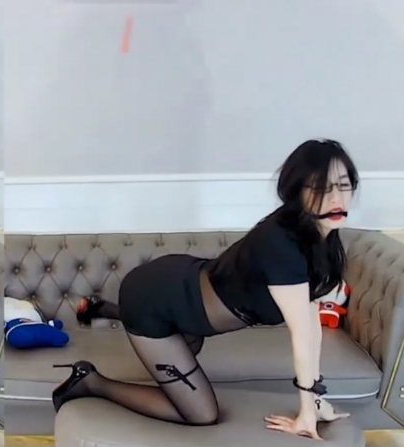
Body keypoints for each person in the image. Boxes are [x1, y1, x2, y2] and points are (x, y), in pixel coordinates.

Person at [53, 139, 357, 440]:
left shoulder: (319, 235)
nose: (336, 199)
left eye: (344, 186)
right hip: (154, 295)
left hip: (182, 292)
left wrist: (315, 401)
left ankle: (102, 309)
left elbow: (311, 321)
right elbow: (302, 335)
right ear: (297, 191)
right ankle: (90, 381)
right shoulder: (282, 244)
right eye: (321, 189)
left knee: (188, 345)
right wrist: (306, 412)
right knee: (201, 414)